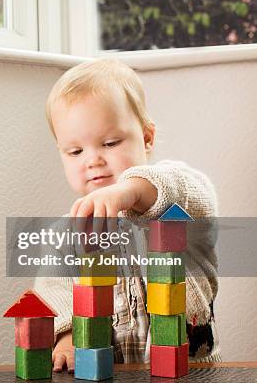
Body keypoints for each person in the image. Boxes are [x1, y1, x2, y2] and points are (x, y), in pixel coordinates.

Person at [33, 58, 220, 372]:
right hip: (108, 371)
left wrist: (128, 191)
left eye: (109, 143)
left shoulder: (176, 201)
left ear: (147, 138)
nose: (92, 160)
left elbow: (195, 190)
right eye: (75, 151)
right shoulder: (66, 233)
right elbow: (53, 287)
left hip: (190, 370)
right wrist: (66, 333)